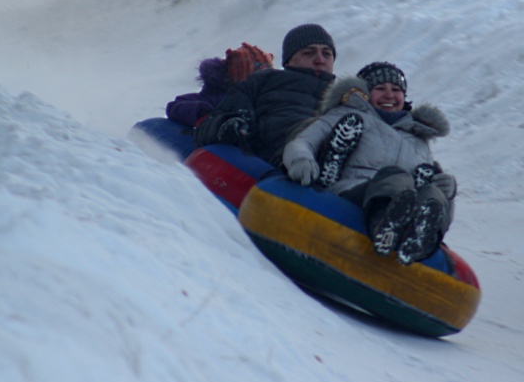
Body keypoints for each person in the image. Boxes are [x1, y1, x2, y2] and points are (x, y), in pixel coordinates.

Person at [282, 62, 457, 265]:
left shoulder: (419, 140)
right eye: (380, 89)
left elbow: (440, 198)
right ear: (365, 93)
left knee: (432, 193)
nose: (390, 95)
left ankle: (421, 239)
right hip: (354, 191)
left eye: (396, 90)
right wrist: (301, 159)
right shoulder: (345, 114)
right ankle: (385, 224)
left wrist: (448, 193)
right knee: (397, 176)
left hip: (407, 201)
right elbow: (303, 141)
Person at [196, 23, 337, 167]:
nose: (320, 59)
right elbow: (216, 120)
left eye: (327, 54)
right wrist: (229, 125)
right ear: (289, 60)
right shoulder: (264, 81)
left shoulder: (344, 95)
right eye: (309, 52)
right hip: (280, 153)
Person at [130, 43, 273, 161]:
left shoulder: (266, 102)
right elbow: (176, 106)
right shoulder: (215, 95)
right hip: (212, 148)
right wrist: (204, 114)